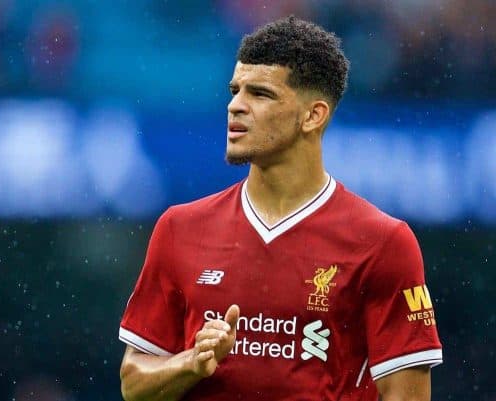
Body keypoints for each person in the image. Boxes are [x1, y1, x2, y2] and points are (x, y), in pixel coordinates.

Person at [118, 16, 442, 401]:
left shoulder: (383, 242)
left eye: (260, 94)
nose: (235, 106)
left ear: (313, 115)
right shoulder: (179, 228)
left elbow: (407, 395)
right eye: (235, 90)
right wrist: (191, 362)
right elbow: (133, 383)